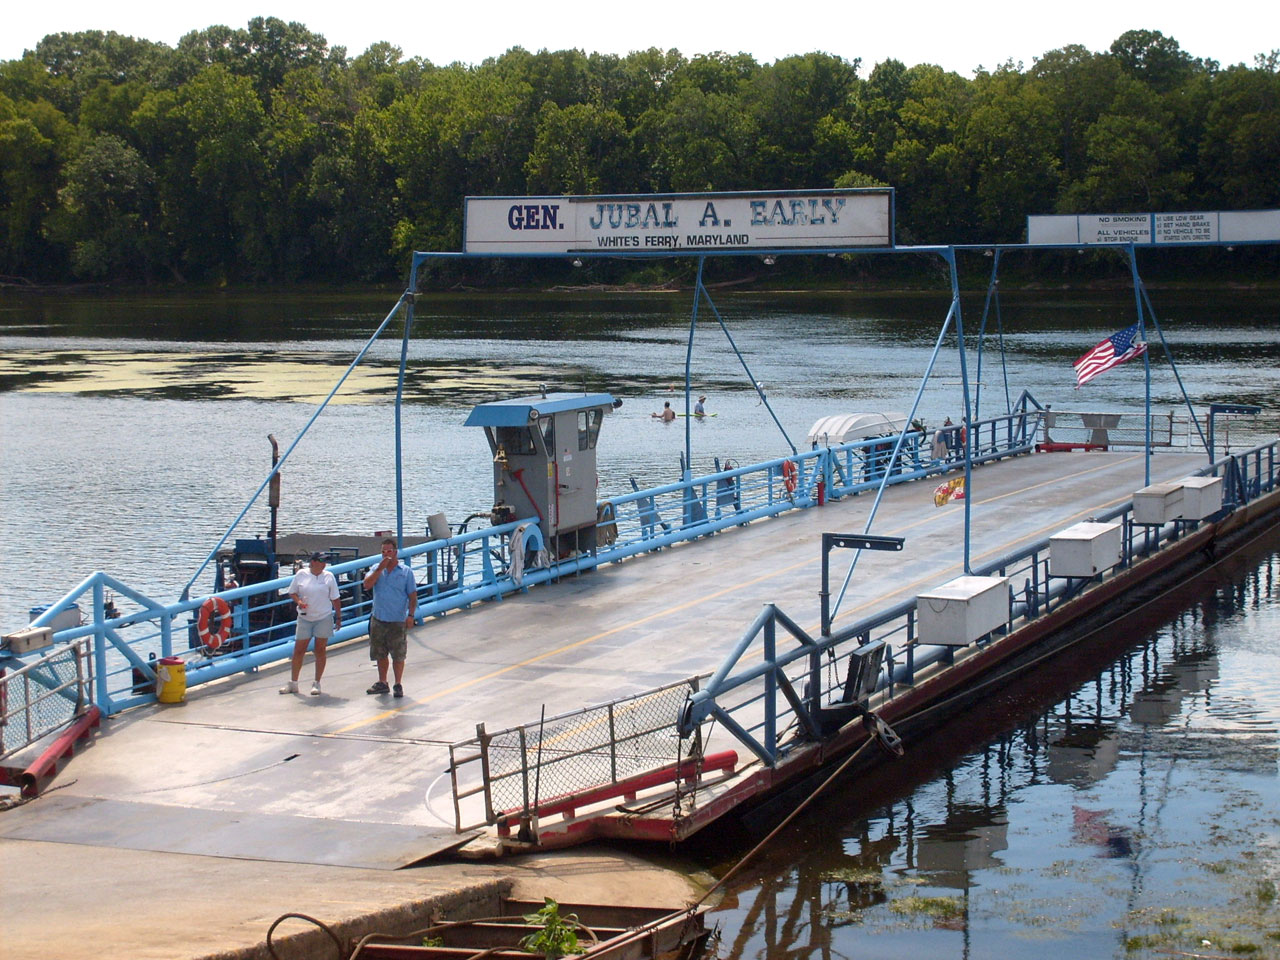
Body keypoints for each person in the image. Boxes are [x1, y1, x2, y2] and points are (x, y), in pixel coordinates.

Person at [362, 537, 416, 697]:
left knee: (398, 654)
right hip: (379, 618)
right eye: (383, 552)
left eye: (389, 551)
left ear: (396, 552)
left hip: (397, 619)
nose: (386, 555)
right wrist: (380, 569)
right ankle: (382, 682)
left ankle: (398, 683)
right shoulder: (376, 569)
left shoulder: (406, 572)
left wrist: (411, 615)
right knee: (380, 653)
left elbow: (412, 596)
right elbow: (366, 585)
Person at [281, 552, 341, 696]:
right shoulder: (301, 574)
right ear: (313, 562)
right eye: (321, 560)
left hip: (323, 617)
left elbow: (335, 598)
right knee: (299, 650)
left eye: (325, 561)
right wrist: (299, 602)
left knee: (320, 649)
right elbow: (292, 592)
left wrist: (338, 617)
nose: (324, 564)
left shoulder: (329, 577)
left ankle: (317, 682)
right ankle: (293, 683)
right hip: (305, 617)